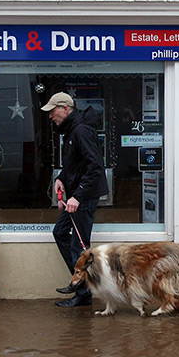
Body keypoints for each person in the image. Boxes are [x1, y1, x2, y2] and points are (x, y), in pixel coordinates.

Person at [43, 92, 109, 307]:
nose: (51, 116)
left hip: (83, 199)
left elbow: (96, 169)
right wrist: (61, 179)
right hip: (76, 197)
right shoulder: (72, 130)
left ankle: (83, 294)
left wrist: (78, 196)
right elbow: (76, 165)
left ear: (65, 108)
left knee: (79, 248)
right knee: (60, 232)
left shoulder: (80, 130)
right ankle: (79, 286)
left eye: (53, 111)